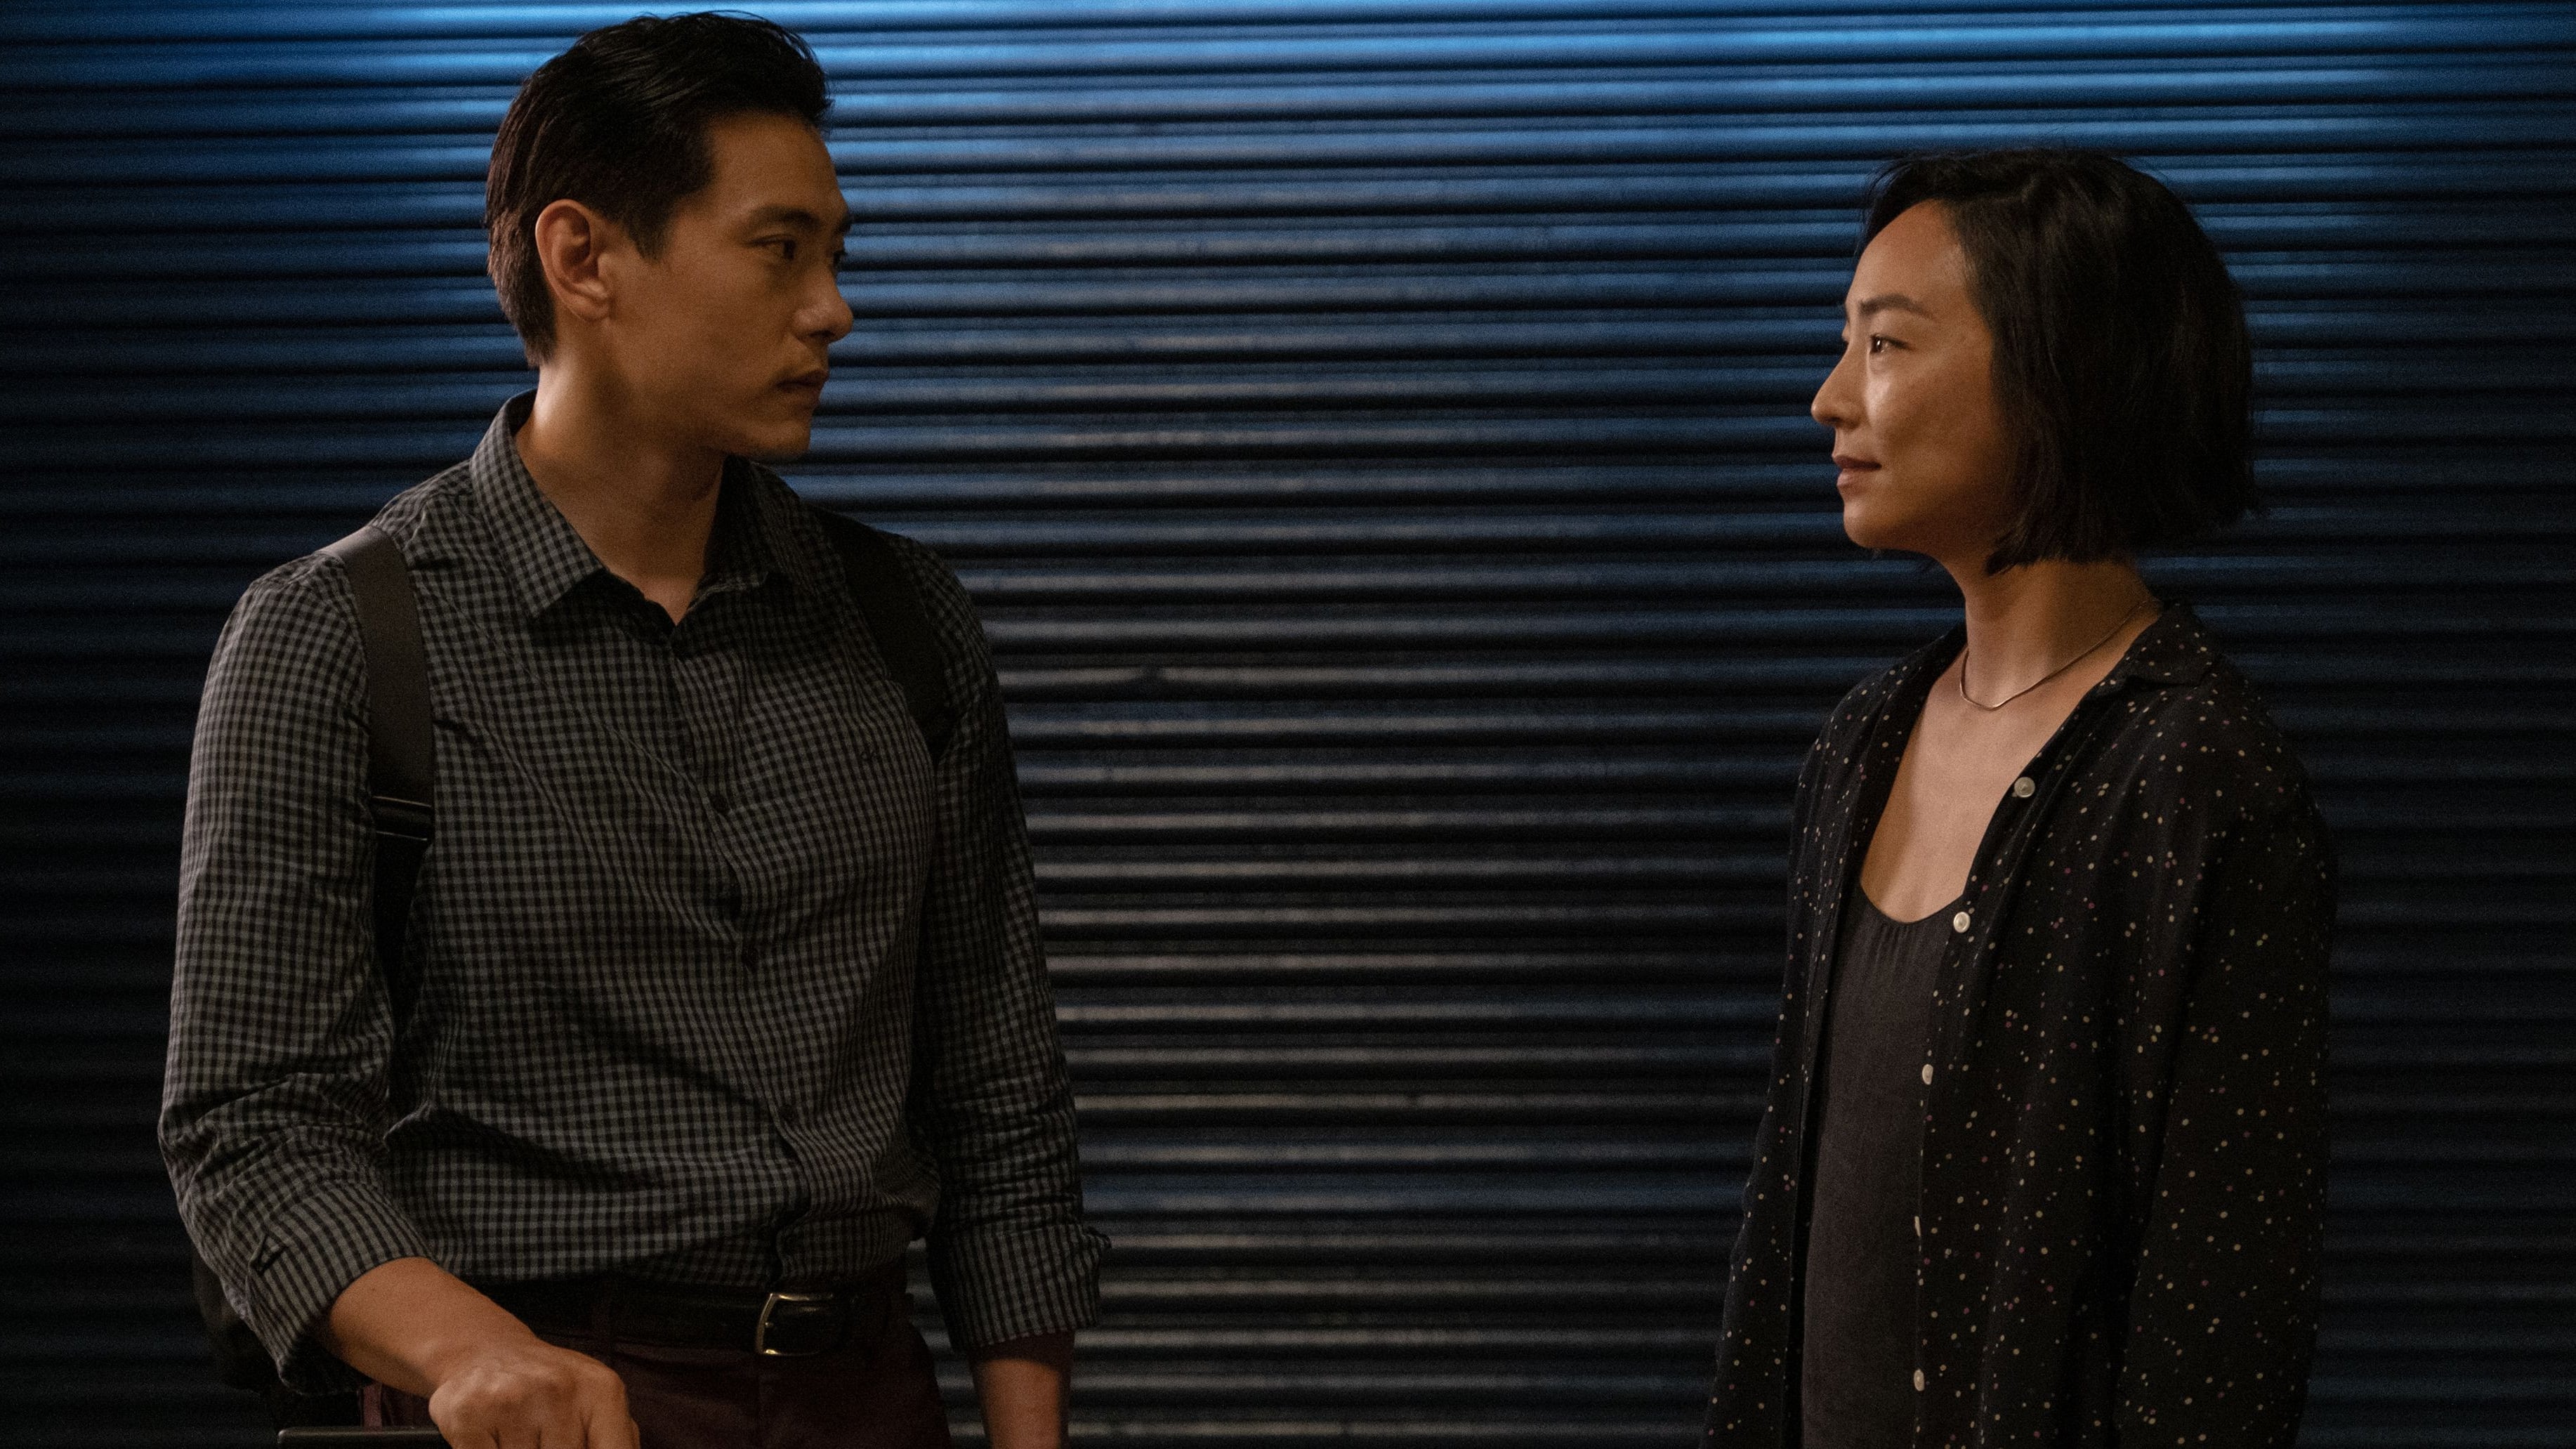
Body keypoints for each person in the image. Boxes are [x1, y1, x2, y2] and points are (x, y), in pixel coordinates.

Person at [159, 15, 1102, 1449]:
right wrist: (474, 1352)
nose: (834, 310)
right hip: (535, 1403)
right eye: (779, 251)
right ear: (583, 258)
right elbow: (252, 1127)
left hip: (865, 1392)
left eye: (837, 254)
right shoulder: (338, 637)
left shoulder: (905, 621)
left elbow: (998, 1091)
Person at [1704, 149, 2335, 1447]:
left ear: (2061, 375)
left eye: (1885, 345)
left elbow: (2220, 1326)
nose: (1829, 398)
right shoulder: (1863, 741)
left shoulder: (2198, 780)